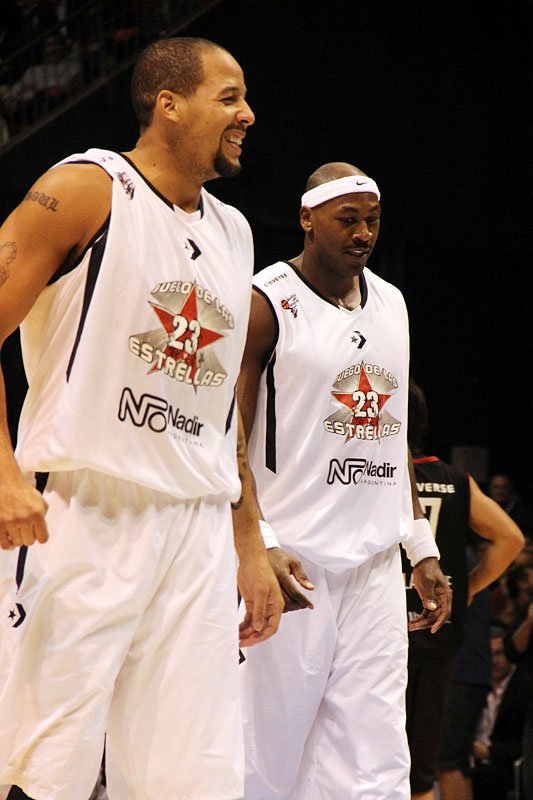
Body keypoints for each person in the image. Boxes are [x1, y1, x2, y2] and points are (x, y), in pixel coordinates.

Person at [0, 36, 284, 800]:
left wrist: (249, 542)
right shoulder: (86, 189)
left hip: (194, 525)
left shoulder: (234, 232)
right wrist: (3, 477)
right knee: (42, 764)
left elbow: (218, 408)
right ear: (168, 105)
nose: (248, 115)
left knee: (191, 778)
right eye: (229, 97)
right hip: (85, 507)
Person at [237, 161, 452, 800]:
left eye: (373, 221)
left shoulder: (393, 303)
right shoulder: (266, 300)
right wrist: (257, 541)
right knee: (265, 751)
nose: (363, 234)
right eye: (348, 220)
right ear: (308, 218)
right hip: (291, 559)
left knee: (375, 754)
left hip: (376, 563)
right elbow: (227, 436)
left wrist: (420, 546)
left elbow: (393, 429)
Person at [404, 380, 524, 800]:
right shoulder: (455, 479)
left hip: (382, 632)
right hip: (438, 635)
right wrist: (468, 587)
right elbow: (511, 538)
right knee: (423, 772)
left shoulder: (373, 475)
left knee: (367, 761)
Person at [470, 627, 532, 800]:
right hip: (472, 762)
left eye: (499, 653)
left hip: (505, 768)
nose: (493, 661)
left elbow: (524, 743)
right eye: (488, 654)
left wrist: (490, 752)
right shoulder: (473, 687)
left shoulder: (524, 687)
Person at [488, 473, 533, 542]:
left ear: (510, 490)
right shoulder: (483, 509)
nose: (500, 491)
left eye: (504, 488)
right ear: (490, 490)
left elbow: (528, 535)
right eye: (496, 487)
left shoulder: (522, 513)